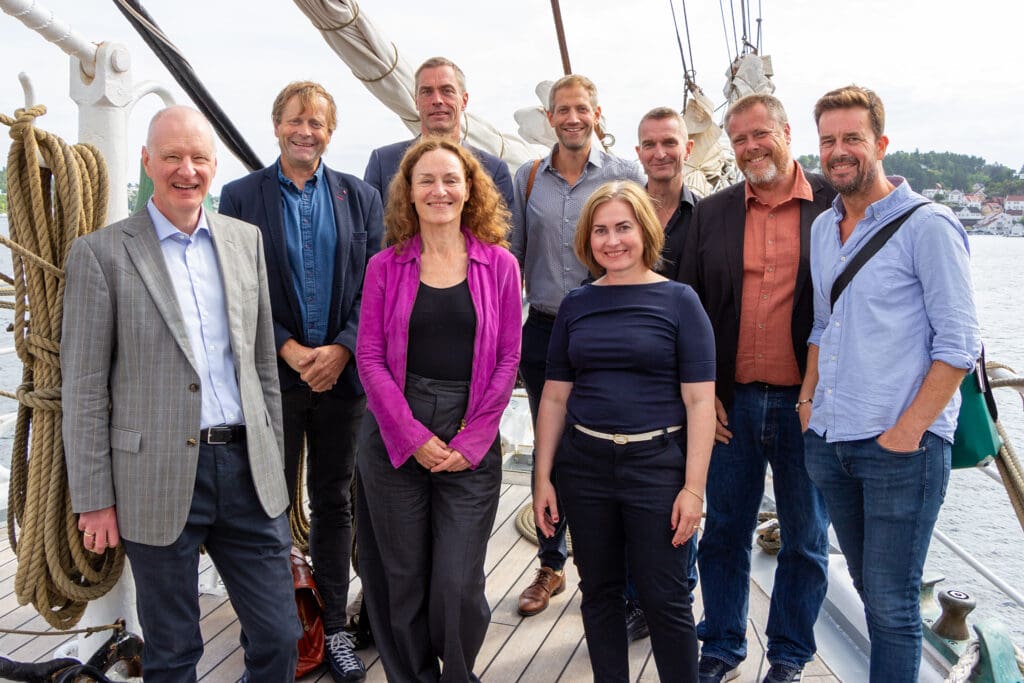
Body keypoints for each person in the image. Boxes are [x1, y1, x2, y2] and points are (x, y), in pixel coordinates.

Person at [61, 106, 300, 682]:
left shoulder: (247, 242)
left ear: (214, 166)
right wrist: (93, 496)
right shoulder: (101, 254)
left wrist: (272, 457)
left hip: (247, 471)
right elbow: (85, 387)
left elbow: (263, 364)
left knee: (279, 635)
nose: (185, 170)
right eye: (171, 156)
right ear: (147, 162)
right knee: (172, 652)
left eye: (198, 158)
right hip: (156, 477)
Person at [801, 85, 981, 682]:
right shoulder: (825, 229)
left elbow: (957, 347)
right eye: (828, 141)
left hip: (900, 449)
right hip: (831, 438)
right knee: (868, 586)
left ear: (880, 143)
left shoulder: (929, 225)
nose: (839, 151)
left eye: (852, 138)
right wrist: (808, 404)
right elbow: (824, 324)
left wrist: (907, 433)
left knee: (893, 605)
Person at [218, 81, 383, 681]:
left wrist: (341, 347)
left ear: (330, 133)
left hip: (343, 382)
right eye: (295, 120)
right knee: (266, 506)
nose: (305, 130)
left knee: (335, 502)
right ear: (276, 125)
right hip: (273, 379)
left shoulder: (360, 198)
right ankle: (273, 635)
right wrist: (287, 347)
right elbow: (236, 291)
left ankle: (335, 629)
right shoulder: (239, 198)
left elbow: (376, 286)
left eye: (317, 122)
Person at [532, 180, 716, 682]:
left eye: (623, 228)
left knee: (666, 598)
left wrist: (693, 489)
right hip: (584, 467)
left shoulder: (681, 302)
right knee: (601, 593)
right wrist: (542, 478)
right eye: (600, 231)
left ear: (645, 231)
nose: (612, 240)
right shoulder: (575, 304)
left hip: (656, 467)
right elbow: (554, 396)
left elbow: (700, 401)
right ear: (587, 240)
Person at [678, 93, 834, 683]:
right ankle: (720, 645)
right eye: (738, 139)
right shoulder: (713, 213)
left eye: (760, 135)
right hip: (731, 402)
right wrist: (704, 393)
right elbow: (689, 310)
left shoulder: (833, 203)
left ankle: (790, 655)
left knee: (807, 539)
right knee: (723, 532)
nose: (749, 148)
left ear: (787, 132)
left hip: (807, 405)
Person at [354, 138, 521, 682]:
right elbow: (371, 357)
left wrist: (471, 440)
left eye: (450, 179)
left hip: (469, 425)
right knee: (401, 577)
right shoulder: (385, 266)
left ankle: (457, 675)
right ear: (408, 192)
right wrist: (409, 436)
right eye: (425, 180)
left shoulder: (499, 265)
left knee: (456, 581)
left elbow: (507, 358)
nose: (439, 190)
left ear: (470, 189)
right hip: (395, 431)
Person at [510, 73, 645, 621]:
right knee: (553, 448)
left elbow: (640, 252)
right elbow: (513, 257)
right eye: (561, 109)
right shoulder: (528, 177)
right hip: (543, 327)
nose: (571, 118)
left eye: (581, 108)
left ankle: (611, 573)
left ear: (597, 112)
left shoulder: (623, 173)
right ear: (549, 118)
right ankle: (551, 561)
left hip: (606, 325)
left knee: (606, 447)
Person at [363, 56, 514, 208]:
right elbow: (369, 227)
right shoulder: (383, 163)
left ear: (464, 100)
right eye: (427, 92)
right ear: (416, 101)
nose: (437, 100)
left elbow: (503, 230)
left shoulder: (494, 171)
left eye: (447, 91)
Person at [636, 107, 698, 280]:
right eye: (649, 145)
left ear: (688, 149)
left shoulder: (706, 218)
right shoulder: (622, 215)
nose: (660, 154)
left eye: (669, 143)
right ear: (639, 154)